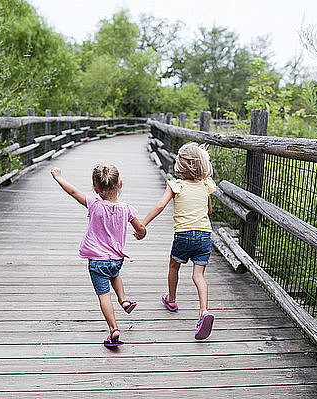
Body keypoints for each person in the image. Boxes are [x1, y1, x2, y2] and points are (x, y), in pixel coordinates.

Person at [51, 164, 146, 347]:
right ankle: (124, 300)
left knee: (104, 295)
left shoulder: (94, 204)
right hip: (116, 260)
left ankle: (113, 329)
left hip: (97, 261)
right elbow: (140, 228)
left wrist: (58, 177)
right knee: (114, 274)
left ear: (95, 189)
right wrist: (141, 234)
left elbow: (73, 192)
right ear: (120, 184)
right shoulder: (126, 209)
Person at [138, 143, 216, 340]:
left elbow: (160, 205)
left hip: (183, 236)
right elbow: (209, 212)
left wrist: (143, 224)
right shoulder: (206, 185)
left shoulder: (176, 185)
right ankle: (204, 311)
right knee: (199, 275)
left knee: (174, 266)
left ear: (180, 165)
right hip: (204, 236)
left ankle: (171, 300)